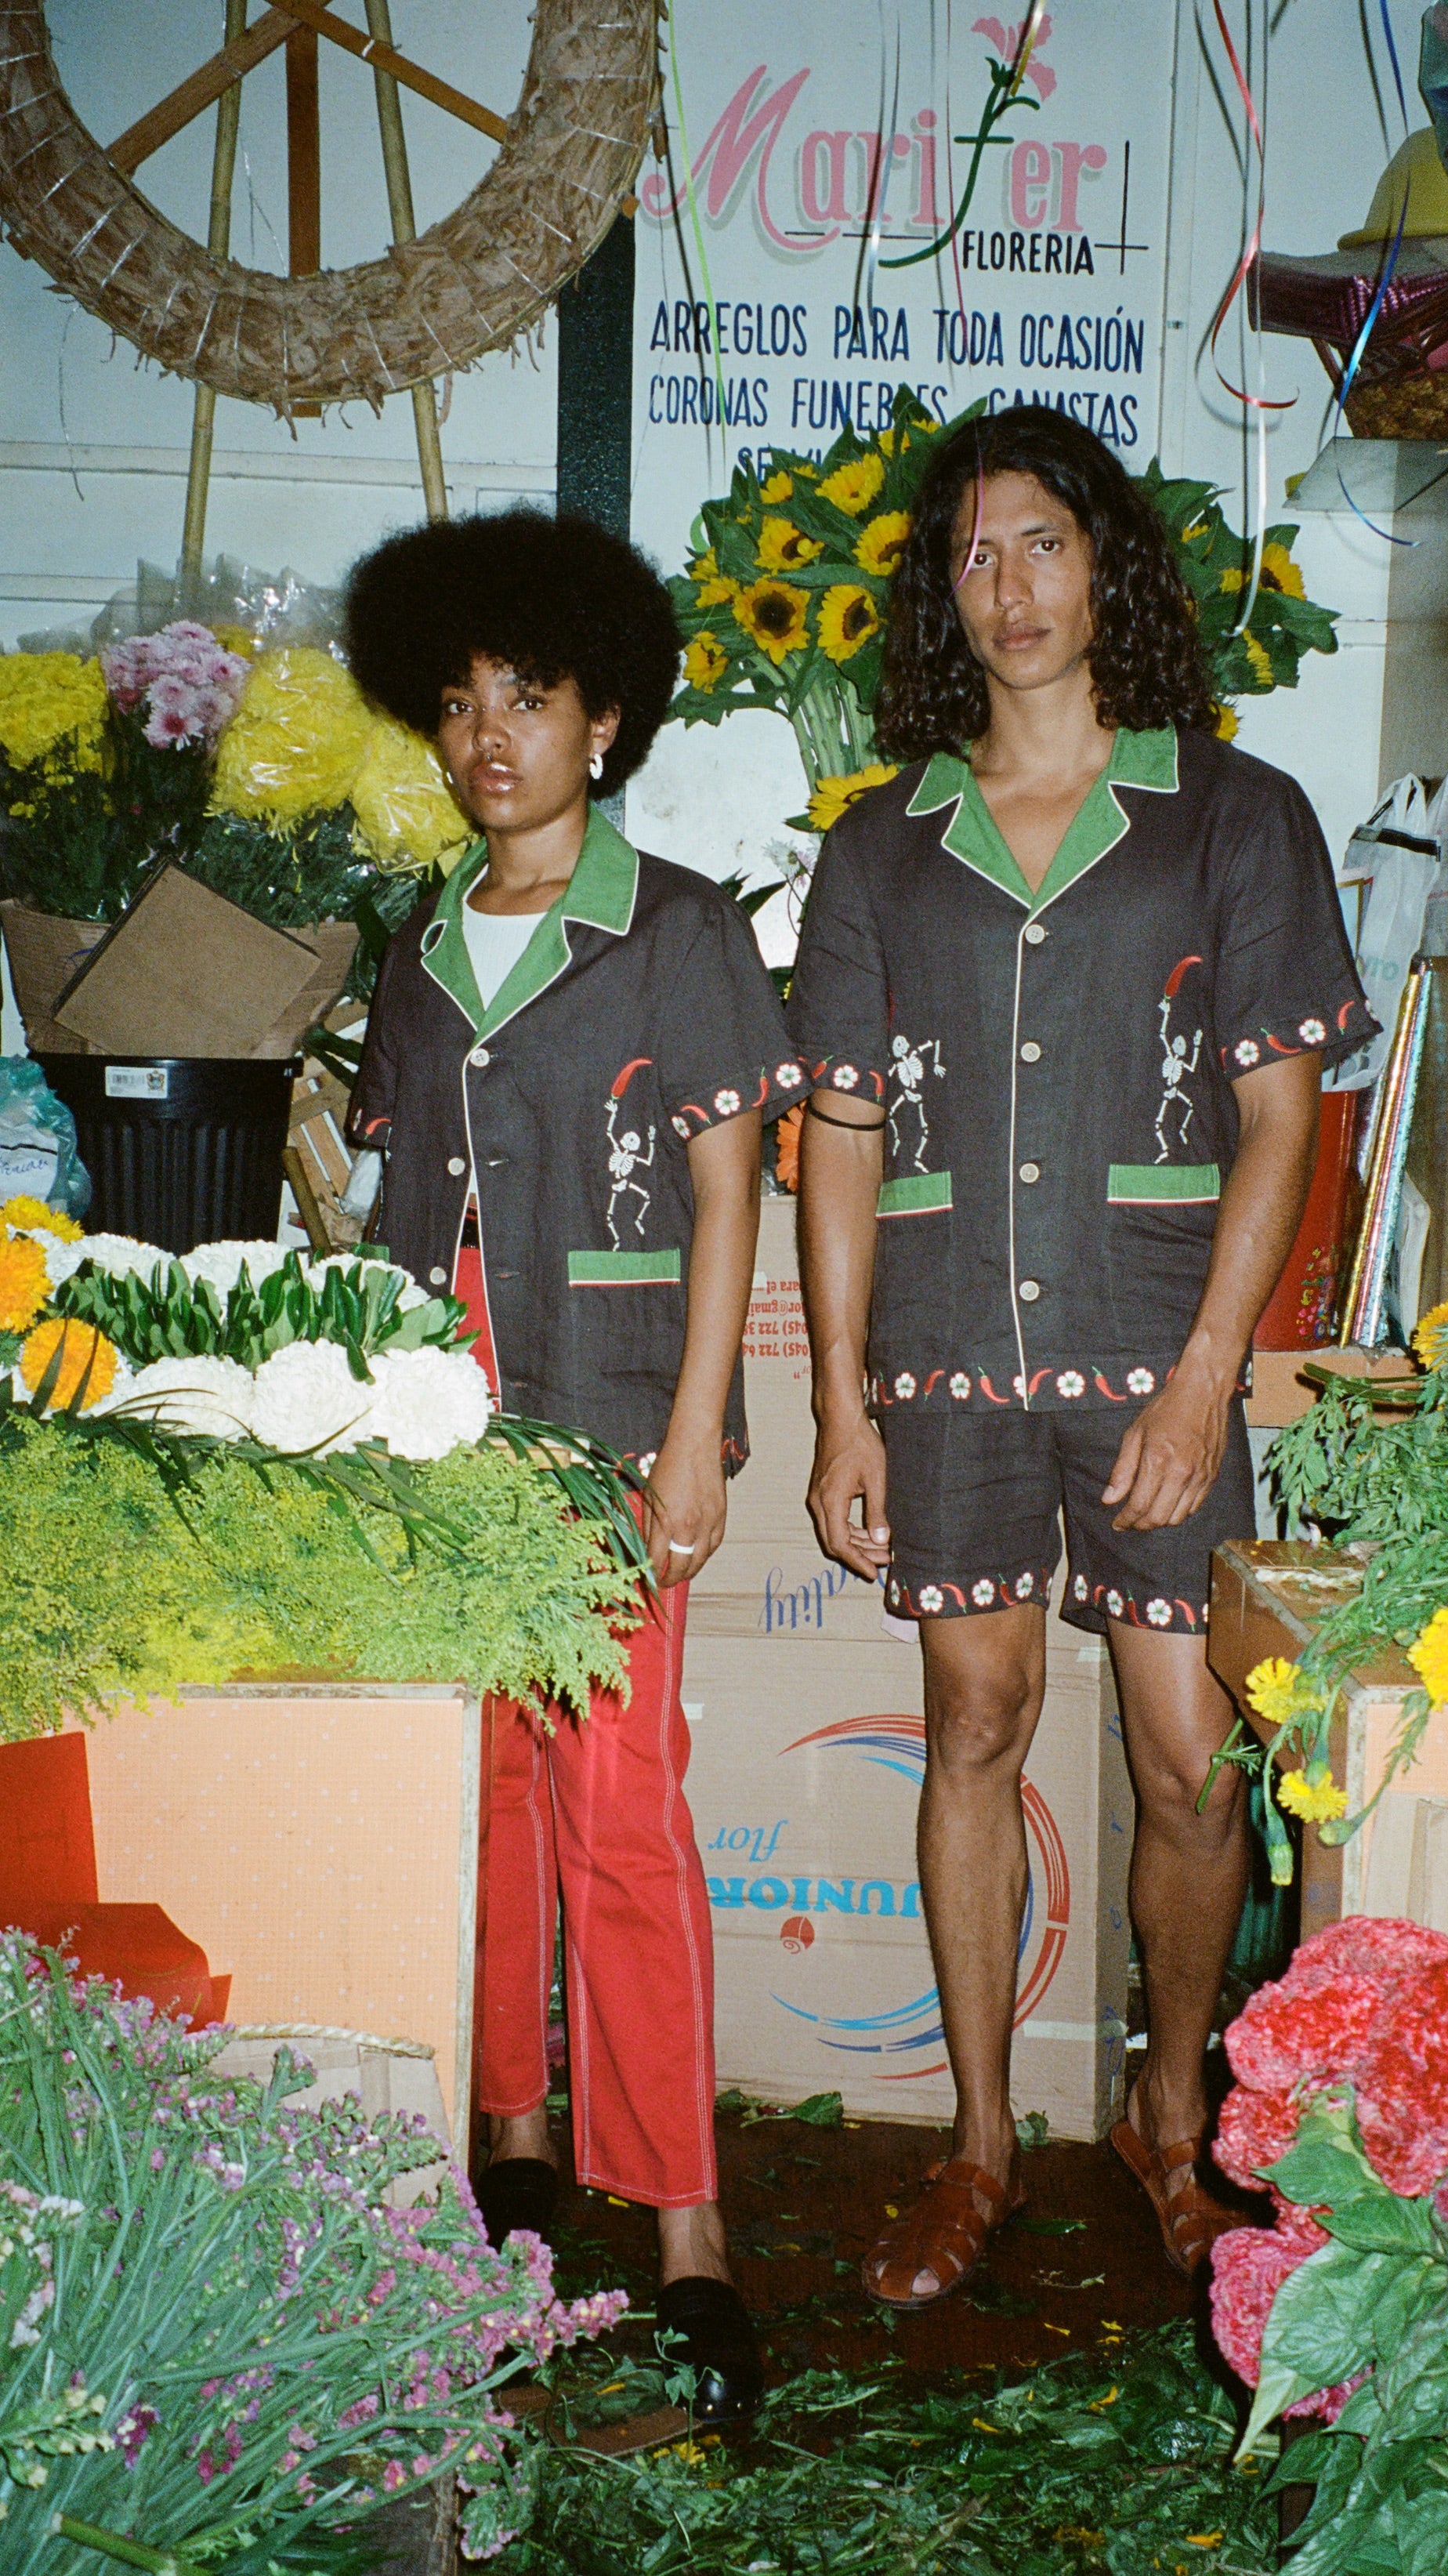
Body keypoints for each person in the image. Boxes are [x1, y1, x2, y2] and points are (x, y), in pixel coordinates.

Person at [788, 408, 1373, 2301]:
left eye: (1039, 542)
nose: (1007, 586)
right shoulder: (880, 844)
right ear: (939, 597)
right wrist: (838, 1404)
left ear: (1102, 565)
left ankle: (1164, 2113)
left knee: (1191, 1765)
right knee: (971, 1721)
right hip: (947, 1352)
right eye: (972, 555)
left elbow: (1278, 1117)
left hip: (1148, 1347)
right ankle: (975, 2145)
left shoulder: (1232, 814)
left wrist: (1207, 1373)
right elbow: (842, 1134)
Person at [345, 508, 808, 2417]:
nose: (488, 739)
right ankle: (515, 2132)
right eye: (459, 705)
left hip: (612, 1414)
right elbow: (394, 1197)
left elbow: (727, 1193)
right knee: (484, 1782)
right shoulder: (413, 945)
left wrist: (695, 1435)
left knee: (623, 1804)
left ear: (602, 722)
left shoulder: (676, 928)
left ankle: (686, 2223)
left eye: (524, 701)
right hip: (439, 1426)